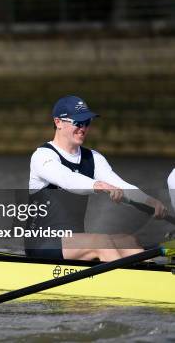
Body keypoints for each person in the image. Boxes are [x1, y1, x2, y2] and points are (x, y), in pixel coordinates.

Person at [27, 95, 168, 261]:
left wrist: (150, 201)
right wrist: (99, 185)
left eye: (87, 123)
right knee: (100, 241)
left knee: (128, 241)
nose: (83, 128)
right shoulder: (42, 156)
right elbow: (67, 179)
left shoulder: (93, 158)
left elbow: (120, 185)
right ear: (58, 122)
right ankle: (128, 282)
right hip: (42, 243)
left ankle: (151, 280)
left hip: (75, 242)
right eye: (78, 123)